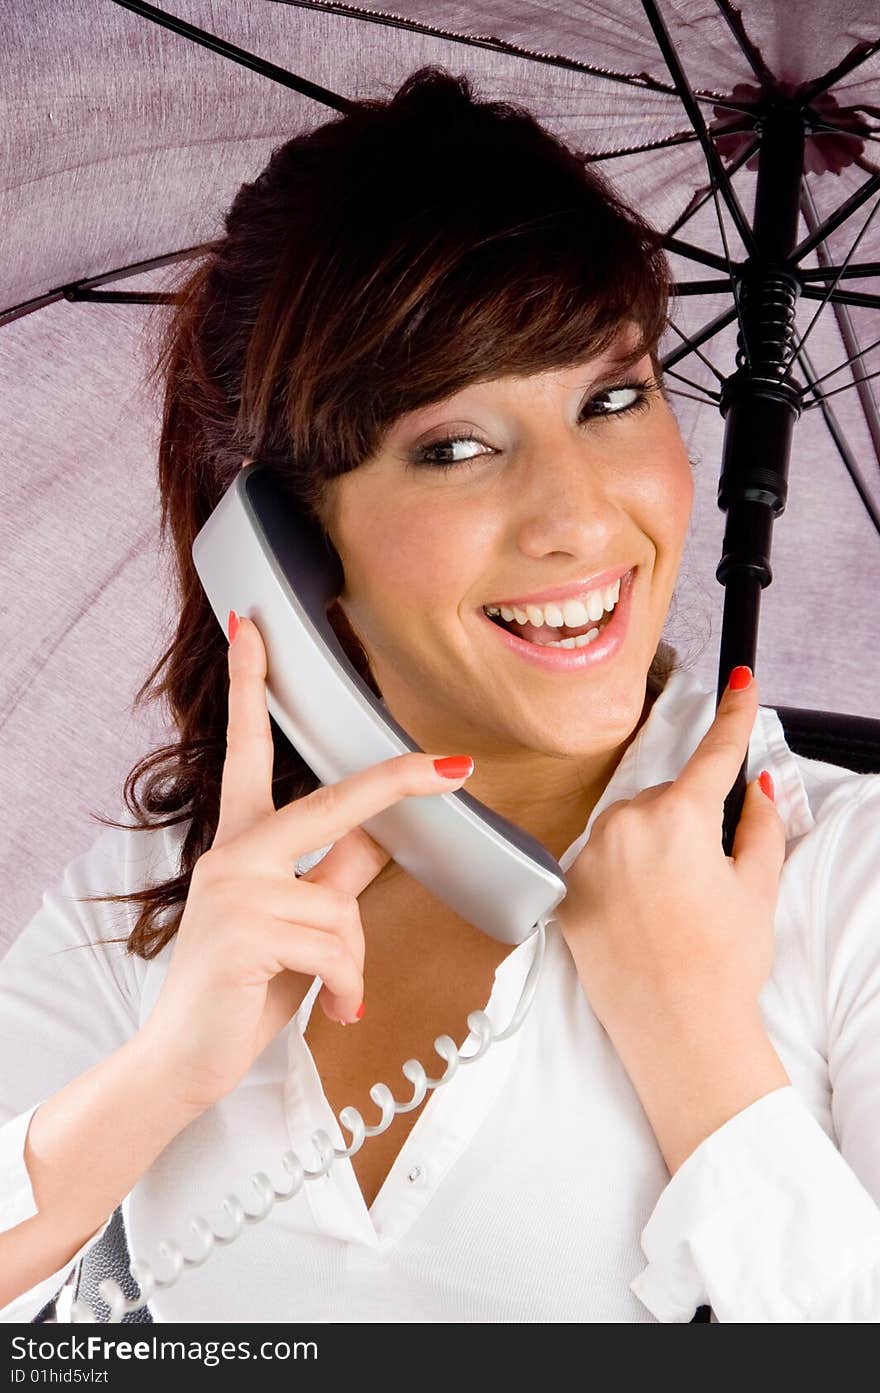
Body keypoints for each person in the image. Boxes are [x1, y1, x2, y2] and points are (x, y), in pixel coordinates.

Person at [1, 66, 879, 1325]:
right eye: (456, 446)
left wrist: (709, 1066)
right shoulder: (180, 888)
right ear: (293, 541)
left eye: (611, 398)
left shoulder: (846, 883)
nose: (580, 519)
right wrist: (157, 1078)